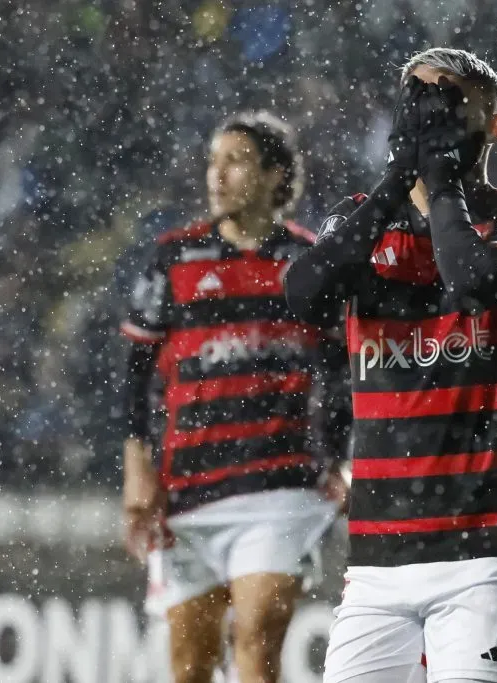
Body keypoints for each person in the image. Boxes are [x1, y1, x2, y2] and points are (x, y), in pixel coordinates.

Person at [285, 47, 497, 683]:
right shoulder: (362, 219)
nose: (430, 117)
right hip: (378, 557)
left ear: (494, 124)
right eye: (416, 101)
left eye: (449, 103)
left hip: (486, 551)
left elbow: (473, 278)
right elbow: (304, 294)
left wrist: (439, 183)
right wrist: (394, 184)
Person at [121, 111, 348, 683]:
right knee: (192, 667)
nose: (216, 175)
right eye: (213, 161)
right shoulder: (173, 259)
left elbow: (342, 373)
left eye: (235, 160)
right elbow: (137, 378)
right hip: (189, 489)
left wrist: (345, 457)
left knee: (257, 640)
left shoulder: (309, 263)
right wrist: (137, 476)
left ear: (276, 176)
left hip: (281, 486)